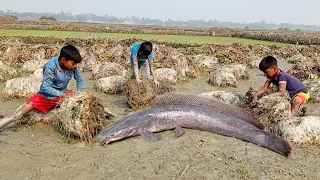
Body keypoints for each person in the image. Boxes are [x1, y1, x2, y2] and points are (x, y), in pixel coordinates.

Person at [0, 45, 84, 129]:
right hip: (46, 96)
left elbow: (80, 80)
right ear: (63, 60)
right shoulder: (50, 66)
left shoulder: (72, 67)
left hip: (63, 94)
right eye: (73, 63)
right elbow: (46, 87)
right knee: (18, 115)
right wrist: (61, 94)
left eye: (76, 64)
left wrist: (79, 93)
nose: (75, 66)